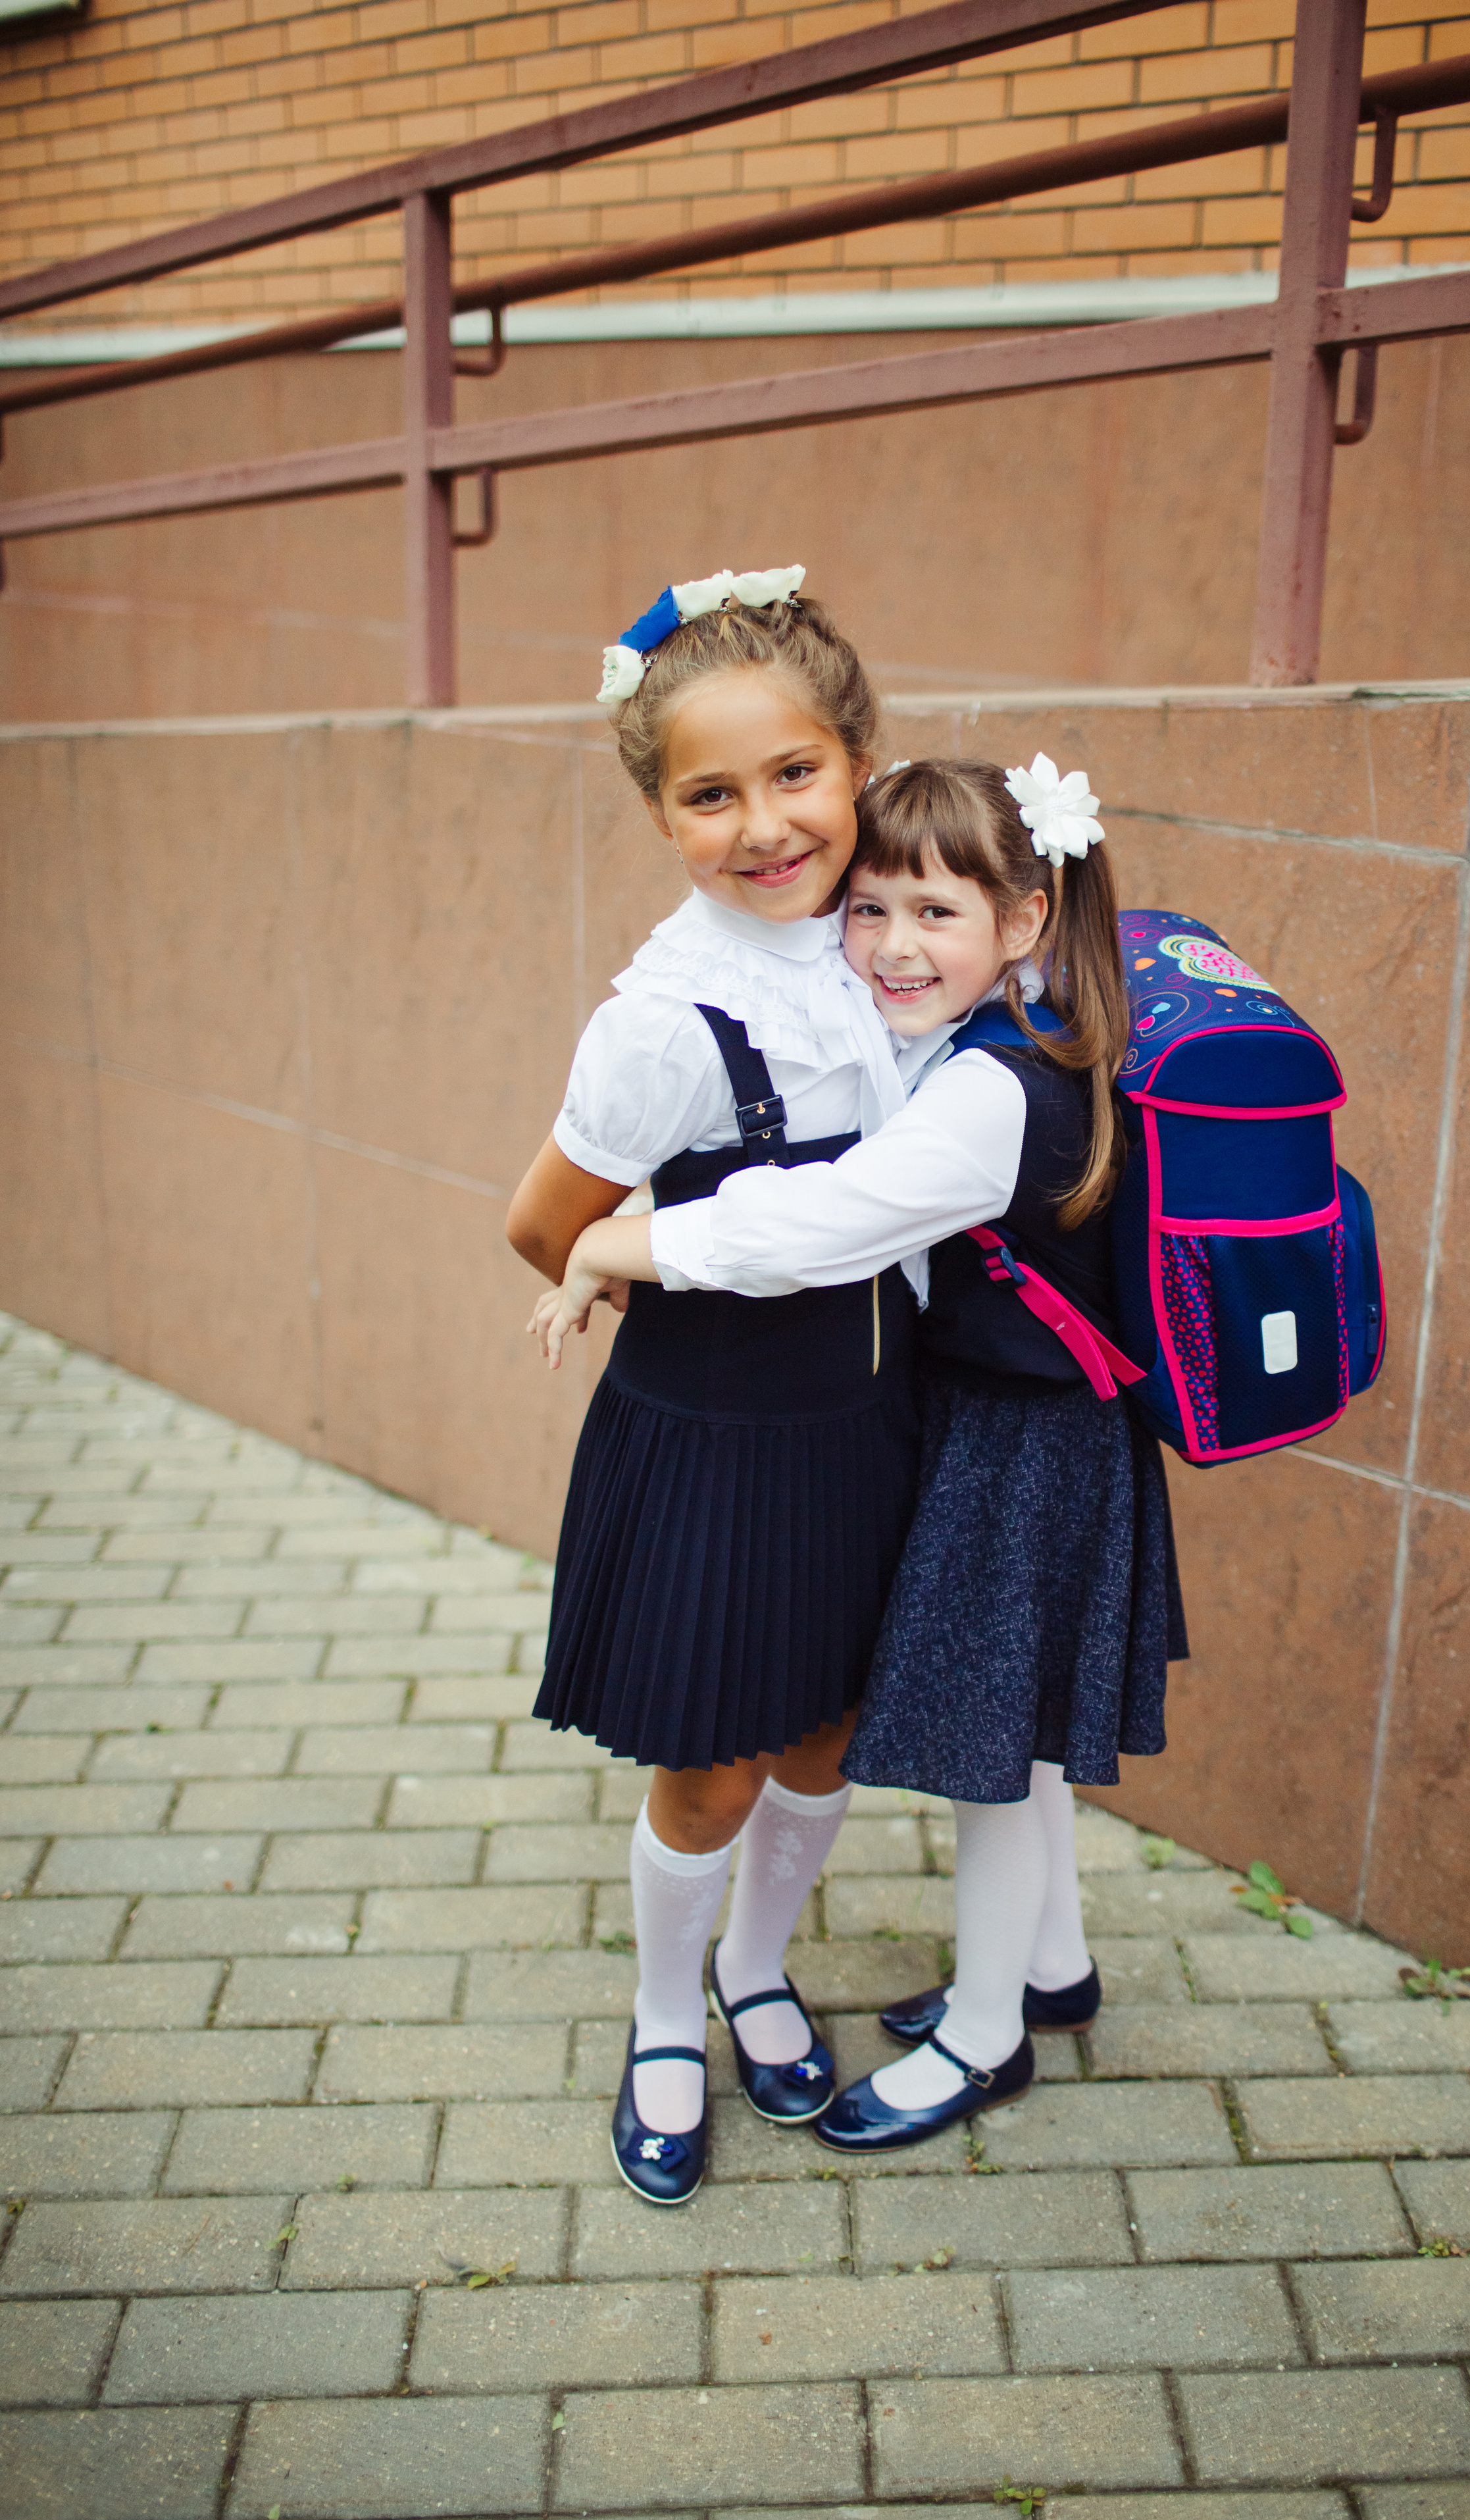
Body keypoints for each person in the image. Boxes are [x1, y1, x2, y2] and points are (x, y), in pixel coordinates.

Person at [543, 754, 1188, 2150]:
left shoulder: (993, 1089)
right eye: (870, 908)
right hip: (1020, 1430)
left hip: (1019, 1450)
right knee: (1015, 1741)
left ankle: (985, 2037)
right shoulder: (1025, 1022)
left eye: (935, 915)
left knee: (996, 1756)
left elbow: (827, 1221)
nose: (895, 946)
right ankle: (1053, 1966)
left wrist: (623, 1240)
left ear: (1022, 919)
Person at [507, 571, 939, 2203]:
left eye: (794, 774)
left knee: (825, 1732)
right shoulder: (667, 1021)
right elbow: (545, 1226)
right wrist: (658, 1272)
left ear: (857, 762)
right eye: (709, 795)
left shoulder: (890, 932)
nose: (763, 824)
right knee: (713, 1759)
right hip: (718, 1435)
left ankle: (762, 1970)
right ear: (658, 813)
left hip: (868, 1421)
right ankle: (661, 2014)